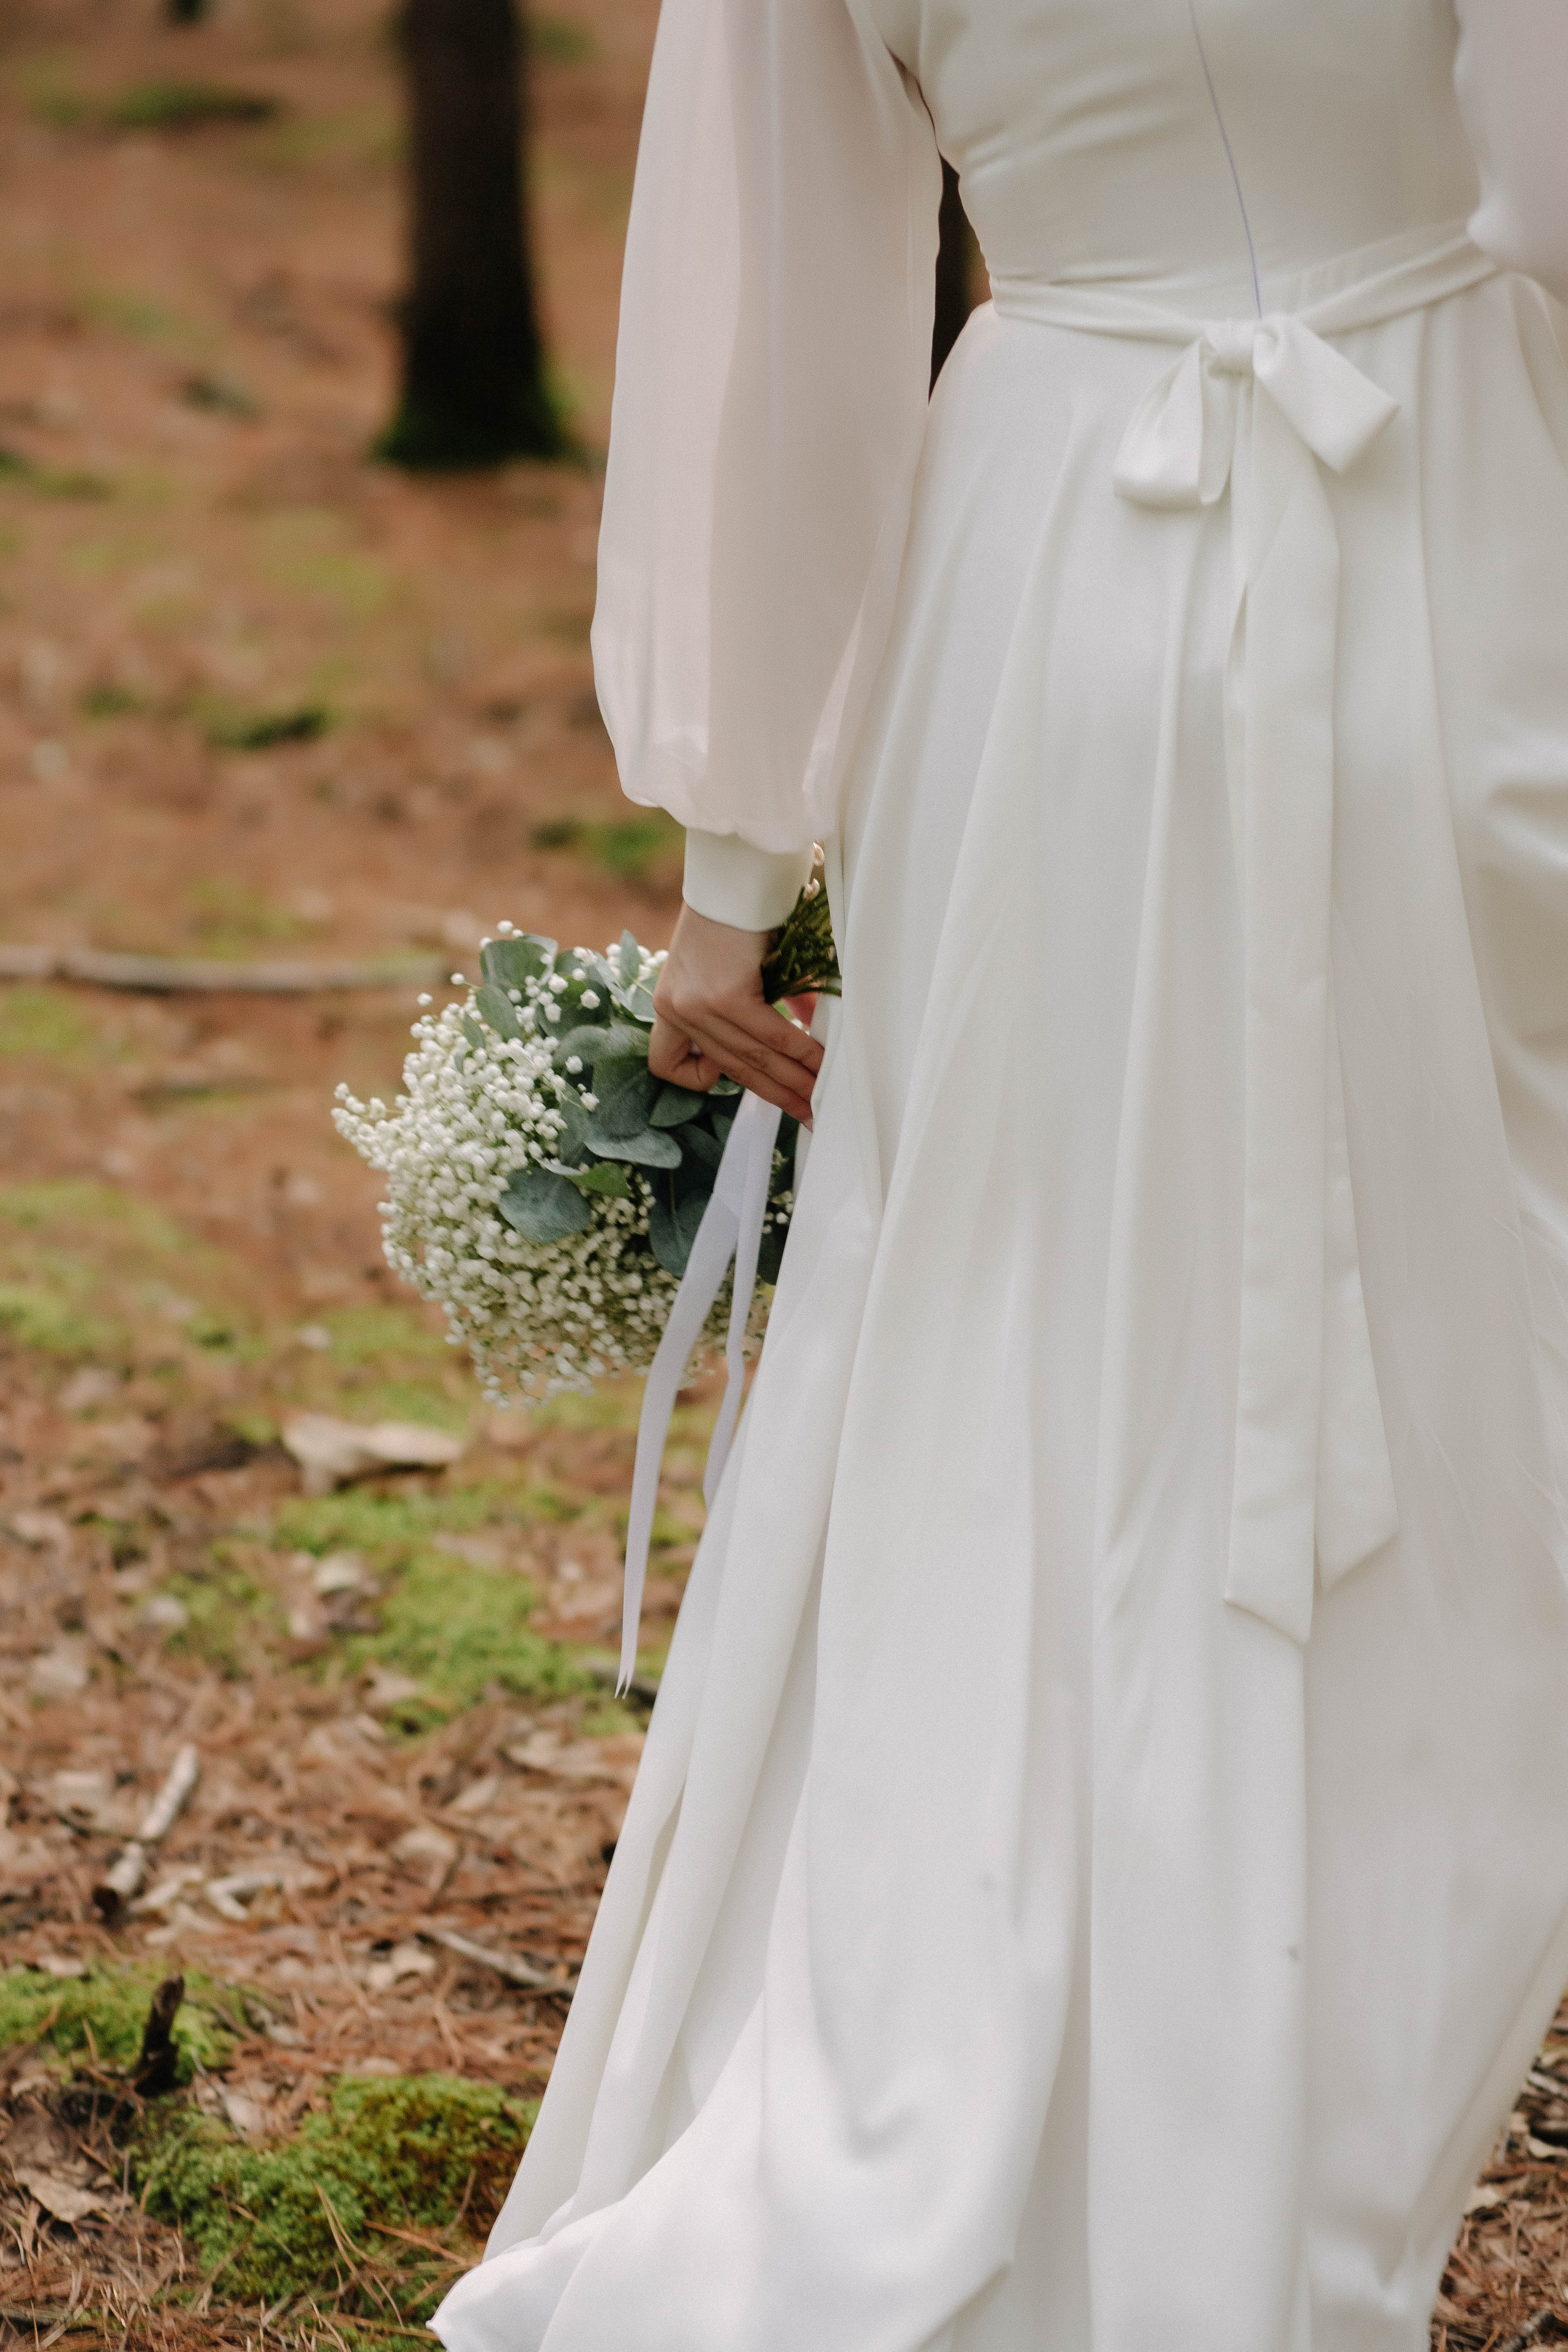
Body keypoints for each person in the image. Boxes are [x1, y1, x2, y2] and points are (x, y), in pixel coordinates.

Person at [432, 4, 1568, 2346]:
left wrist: (732, 880)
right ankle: (1321, 2122)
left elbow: (782, 320)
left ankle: (1022, 2058)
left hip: (1057, 559)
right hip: (1455, 527)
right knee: (1477, 1356)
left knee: (1027, 1356)